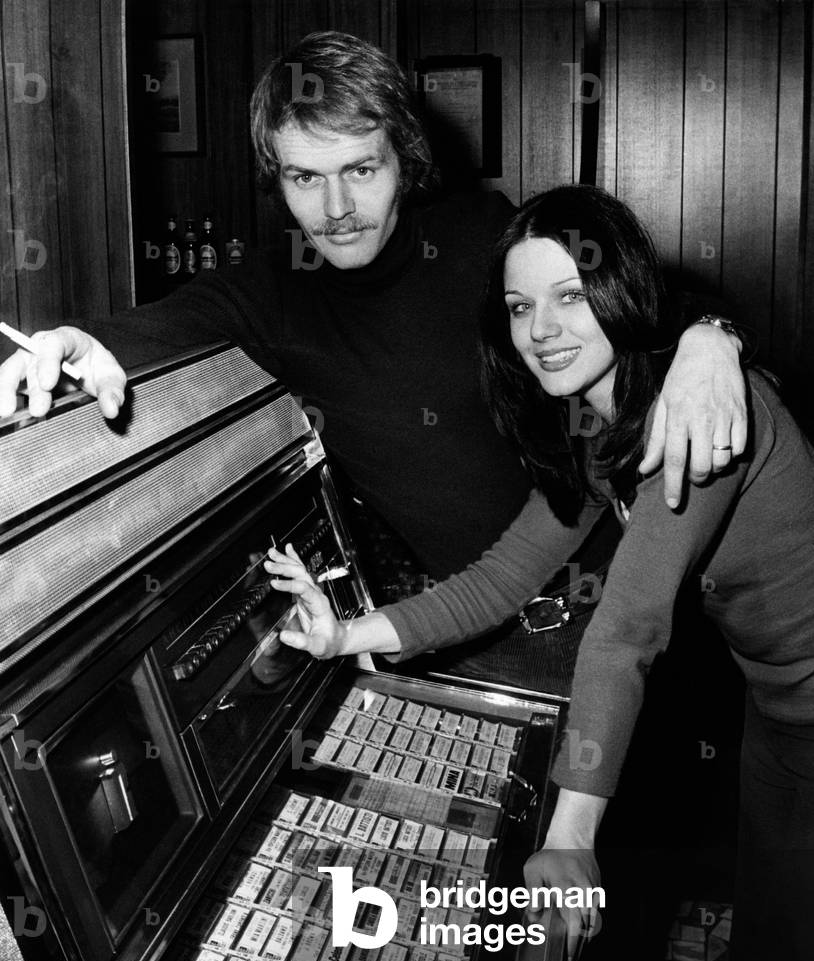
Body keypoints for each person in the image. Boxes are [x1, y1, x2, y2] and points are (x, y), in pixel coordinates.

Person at [0, 31, 747, 690]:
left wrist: (712, 338)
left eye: (360, 169)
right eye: (304, 178)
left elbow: (645, 305)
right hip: (461, 632)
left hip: (620, 609)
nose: (335, 209)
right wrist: (74, 344)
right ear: (276, 178)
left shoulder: (483, 234)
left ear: (405, 158)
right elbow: (161, 325)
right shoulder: (273, 287)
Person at [265, 185, 814, 961]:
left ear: (621, 289)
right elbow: (506, 574)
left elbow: (626, 627)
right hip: (778, 709)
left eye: (570, 296)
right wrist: (346, 635)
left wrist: (570, 835)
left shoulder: (693, 406)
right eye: (522, 307)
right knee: (774, 944)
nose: (543, 329)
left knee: (791, 958)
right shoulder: (604, 425)